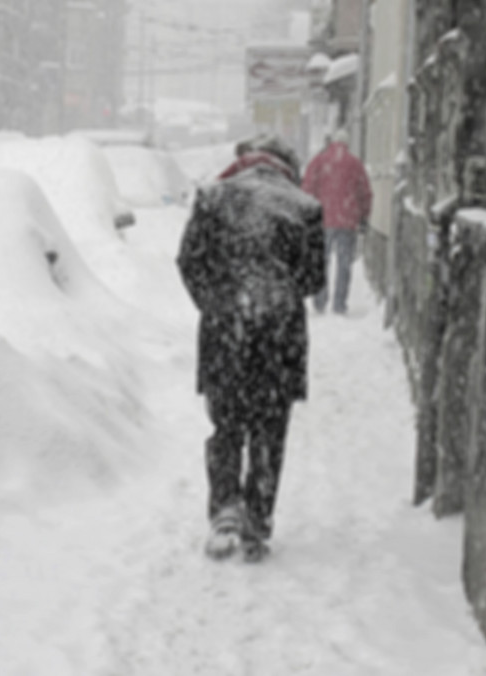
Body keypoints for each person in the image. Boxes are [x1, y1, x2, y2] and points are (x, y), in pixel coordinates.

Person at [176, 134, 326, 561]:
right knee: (269, 431)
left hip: (226, 333)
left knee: (226, 427)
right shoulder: (303, 207)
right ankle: (257, 520)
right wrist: (278, 296)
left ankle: (225, 508)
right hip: (280, 338)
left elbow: (189, 262)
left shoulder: (213, 197)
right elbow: (314, 279)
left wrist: (217, 302)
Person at [300, 129, 372, 315]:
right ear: (347, 144)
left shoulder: (319, 161)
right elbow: (365, 192)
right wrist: (363, 216)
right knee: (344, 263)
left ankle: (320, 300)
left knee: (321, 262)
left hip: (322, 220)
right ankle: (339, 304)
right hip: (347, 220)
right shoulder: (355, 164)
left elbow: (307, 187)